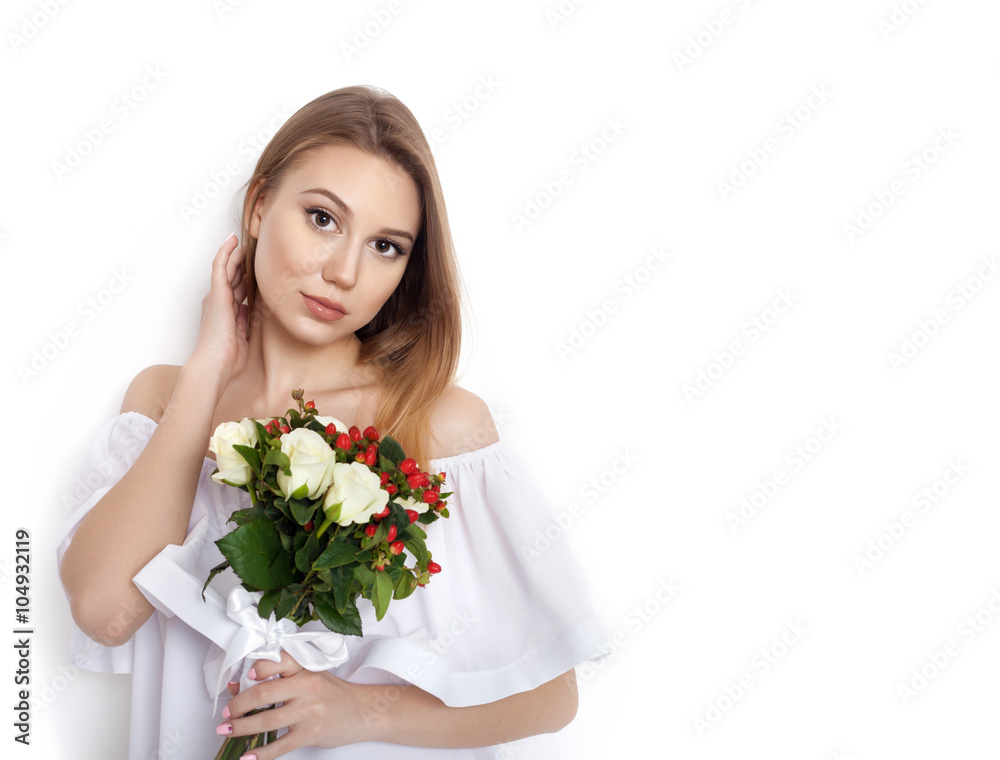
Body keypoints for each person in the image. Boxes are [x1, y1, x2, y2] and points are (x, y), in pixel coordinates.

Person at [56, 85, 608, 759]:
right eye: (323, 219)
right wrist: (207, 368)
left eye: (385, 246)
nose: (344, 272)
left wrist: (355, 711)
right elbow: (104, 612)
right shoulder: (168, 398)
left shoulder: (436, 425)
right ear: (260, 206)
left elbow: (552, 697)